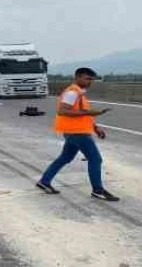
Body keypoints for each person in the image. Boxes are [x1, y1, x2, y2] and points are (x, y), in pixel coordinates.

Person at [37, 67, 120, 201]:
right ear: (78, 78)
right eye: (87, 78)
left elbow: (82, 113)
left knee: (65, 158)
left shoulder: (79, 93)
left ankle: (44, 181)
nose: (89, 82)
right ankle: (97, 190)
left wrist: (95, 127)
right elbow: (62, 111)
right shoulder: (72, 92)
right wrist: (90, 113)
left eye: (91, 79)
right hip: (78, 133)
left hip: (73, 131)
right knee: (95, 159)